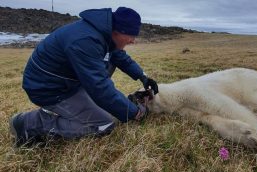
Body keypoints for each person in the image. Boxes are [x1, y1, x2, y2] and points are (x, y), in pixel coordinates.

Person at [9, 7, 159, 147]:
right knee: (104, 124)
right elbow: (99, 87)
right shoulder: (86, 41)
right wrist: (134, 113)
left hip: (68, 82)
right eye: (131, 35)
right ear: (118, 31)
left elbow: (119, 57)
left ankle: (83, 106)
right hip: (48, 87)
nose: (133, 40)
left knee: (109, 110)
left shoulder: (105, 34)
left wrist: (143, 77)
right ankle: (28, 124)